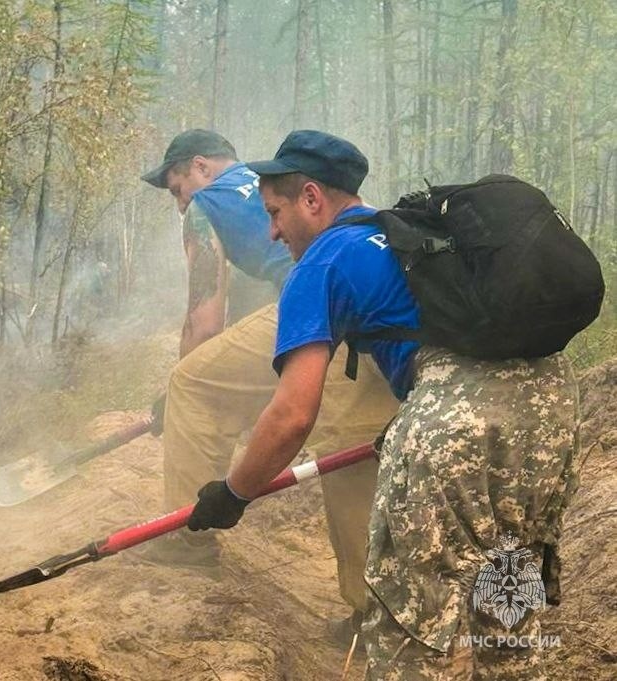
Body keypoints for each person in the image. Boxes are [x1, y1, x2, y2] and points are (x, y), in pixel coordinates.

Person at [185, 129, 581, 679]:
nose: (273, 232)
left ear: (312, 198)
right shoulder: (402, 234)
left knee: (409, 637)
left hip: (450, 419)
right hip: (552, 406)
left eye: (276, 212)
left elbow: (293, 414)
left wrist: (233, 492)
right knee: (507, 609)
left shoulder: (322, 262)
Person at [139, 129, 399, 637]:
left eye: (175, 188)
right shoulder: (287, 195)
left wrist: (179, 391)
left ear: (200, 168)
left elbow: (206, 317)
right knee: (351, 443)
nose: (177, 203)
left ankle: (186, 542)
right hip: (369, 317)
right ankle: (379, 611)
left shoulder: (205, 204)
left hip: (319, 302)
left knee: (193, 383)